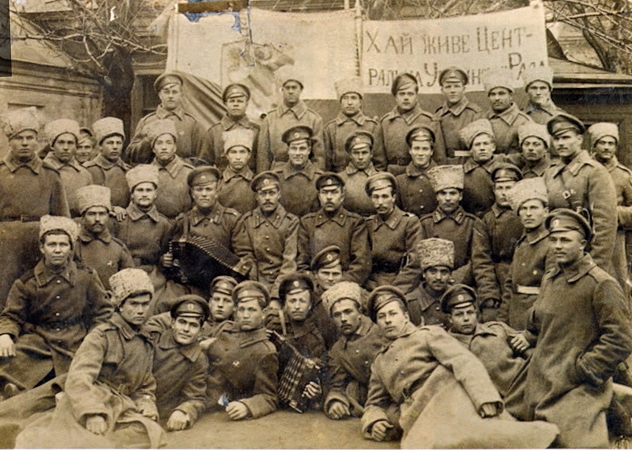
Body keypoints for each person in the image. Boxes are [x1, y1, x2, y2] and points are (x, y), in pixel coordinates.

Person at [361, 285, 559, 448]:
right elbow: (374, 403)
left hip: (447, 395)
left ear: (405, 316)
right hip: (416, 412)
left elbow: (463, 361)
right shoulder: (379, 362)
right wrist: (374, 420)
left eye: (392, 313)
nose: (388, 320)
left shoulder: (427, 335)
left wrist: (484, 397)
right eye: (381, 317)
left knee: (486, 435)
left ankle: (542, 438)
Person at [514, 209, 632, 447]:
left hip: (576, 384)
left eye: (565, 240)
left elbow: (620, 339)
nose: (557, 246)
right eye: (554, 239)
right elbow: (542, 319)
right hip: (541, 377)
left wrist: (584, 369)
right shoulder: (551, 277)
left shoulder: (600, 284)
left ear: (583, 244)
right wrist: (529, 335)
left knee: (573, 440)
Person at [15, 268, 165, 448]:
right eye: (134, 304)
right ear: (120, 305)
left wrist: (146, 404)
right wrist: (92, 412)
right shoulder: (101, 336)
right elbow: (79, 376)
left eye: (145, 304)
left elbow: (145, 385)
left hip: (122, 406)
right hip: (92, 398)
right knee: (79, 440)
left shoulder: (145, 341)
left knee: (150, 433)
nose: (141, 310)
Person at [0, 215, 112, 396]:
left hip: (75, 340)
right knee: (15, 357)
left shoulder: (86, 277)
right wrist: (5, 334)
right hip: (39, 342)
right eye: (52, 245)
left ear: (71, 248)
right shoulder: (27, 282)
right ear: (42, 248)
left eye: (63, 245)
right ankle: (15, 389)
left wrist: (94, 337)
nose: (58, 250)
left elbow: (104, 312)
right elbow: (11, 315)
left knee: (92, 368)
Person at [0, 108, 70, 308]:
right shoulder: (1, 172)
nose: (25, 143)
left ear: (37, 141)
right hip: (6, 243)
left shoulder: (50, 174)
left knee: (39, 290)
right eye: (19, 138)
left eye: (30, 138)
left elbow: (62, 218)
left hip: (40, 242)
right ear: (10, 141)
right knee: (5, 291)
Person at [442, 283, 531, 418]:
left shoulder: (497, 329)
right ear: (450, 318)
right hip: (492, 407)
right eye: (459, 314)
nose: (466, 318)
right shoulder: (447, 345)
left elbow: (531, 355)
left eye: (470, 312)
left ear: (476, 313)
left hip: (526, 392)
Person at [544, 113, 618, 274]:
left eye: (566, 138)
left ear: (579, 139)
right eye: (556, 139)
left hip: (584, 259)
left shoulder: (594, 172)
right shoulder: (550, 173)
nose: (560, 143)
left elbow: (605, 226)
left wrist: (594, 267)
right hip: (557, 256)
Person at [205, 281, 278, 420]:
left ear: (263, 313)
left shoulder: (265, 351)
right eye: (241, 309)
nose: (245, 315)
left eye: (252, 310)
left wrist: (247, 406)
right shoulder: (225, 328)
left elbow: (269, 397)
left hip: (221, 408)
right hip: (199, 394)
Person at [321, 281, 388, 420]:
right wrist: (336, 401)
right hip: (371, 402)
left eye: (348, 311)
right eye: (337, 315)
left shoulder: (382, 331)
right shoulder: (338, 350)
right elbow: (337, 384)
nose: (343, 319)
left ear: (359, 311)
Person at [143, 295, 210, 431]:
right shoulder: (153, 340)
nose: (186, 329)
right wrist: (145, 402)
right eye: (182, 322)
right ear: (172, 323)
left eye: (193, 325)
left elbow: (196, 397)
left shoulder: (198, 359)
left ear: (201, 331)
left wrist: (183, 411)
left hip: (161, 416)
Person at [232, 171, 298, 298]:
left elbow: (289, 262)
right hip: (254, 284)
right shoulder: (247, 221)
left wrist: (275, 294)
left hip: (283, 286)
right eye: (263, 194)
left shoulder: (290, 222)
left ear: (279, 194)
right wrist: (256, 288)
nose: (267, 198)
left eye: (271, 193)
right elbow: (245, 255)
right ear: (256, 197)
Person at [297, 172, 371, 286]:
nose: (329, 197)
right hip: (315, 286)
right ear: (319, 196)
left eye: (334, 192)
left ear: (342, 197)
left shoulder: (355, 223)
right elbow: (302, 263)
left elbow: (361, 264)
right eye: (324, 192)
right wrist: (316, 284)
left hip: (345, 285)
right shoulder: (307, 223)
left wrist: (339, 285)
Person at [471, 163, 524, 322]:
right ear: (493, 190)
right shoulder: (485, 220)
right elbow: (481, 260)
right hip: (495, 281)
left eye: (509, 188)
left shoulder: (526, 217)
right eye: (500, 188)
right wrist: (488, 294)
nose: (504, 193)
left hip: (520, 280)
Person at [126, 72, 211, 165]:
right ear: (160, 95)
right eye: (166, 92)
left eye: (174, 92)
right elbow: (133, 155)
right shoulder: (147, 122)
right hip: (153, 172)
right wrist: (148, 140)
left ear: (181, 95)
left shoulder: (192, 124)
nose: (170, 96)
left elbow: (203, 159)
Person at [500, 177, 552, 330]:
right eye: (523, 209)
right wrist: (501, 322)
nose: (528, 213)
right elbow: (509, 286)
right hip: (515, 316)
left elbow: (551, 293)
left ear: (545, 212)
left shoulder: (550, 245)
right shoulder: (522, 244)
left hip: (538, 320)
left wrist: (532, 331)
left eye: (534, 208)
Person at [420, 164, 485, 285]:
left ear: (460, 196)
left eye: (453, 193)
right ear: (437, 196)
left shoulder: (472, 223)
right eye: (443, 193)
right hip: (432, 282)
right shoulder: (425, 223)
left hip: (462, 282)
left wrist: (455, 278)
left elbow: (477, 259)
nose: (448, 198)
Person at [270, 273, 326, 411]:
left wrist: (316, 388)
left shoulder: (315, 335)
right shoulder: (272, 324)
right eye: (292, 301)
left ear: (310, 305)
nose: (297, 306)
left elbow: (321, 368)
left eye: (302, 301)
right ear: (284, 304)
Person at [588, 122, 632, 291]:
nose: (606, 147)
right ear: (594, 145)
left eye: (611, 143)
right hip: (587, 234)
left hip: (615, 238)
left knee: (615, 282)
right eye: (602, 143)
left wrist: (614, 214)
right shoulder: (586, 170)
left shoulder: (623, 175)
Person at [373, 73, 444, 174]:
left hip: (421, 174)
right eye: (402, 94)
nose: (406, 98)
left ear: (416, 96)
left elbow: (439, 158)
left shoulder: (429, 121)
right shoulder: (385, 122)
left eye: (410, 94)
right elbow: (379, 160)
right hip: (393, 174)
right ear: (395, 97)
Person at [257, 70, 325, 172]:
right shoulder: (270, 119)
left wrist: (316, 178)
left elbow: (319, 157)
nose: (291, 91)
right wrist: (264, 178)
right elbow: (263, 156)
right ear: (282, 90)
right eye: (287, 88)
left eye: (294, 87)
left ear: (301, 90)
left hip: (305, 173)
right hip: (276, 174)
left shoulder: (314, 119)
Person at [365, 172, 421, 292]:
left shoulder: (409, 223)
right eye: (376, 197)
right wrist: (370, 286)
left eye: (385, 196)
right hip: (372, 286)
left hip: (400, 285)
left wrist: (395, 290)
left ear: (393, 197)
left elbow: (415, 263)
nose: (380, 202)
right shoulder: (368, 224)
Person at [73, 185, 134, 289]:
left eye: (102, 214)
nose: (97, 219)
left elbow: (130, 283)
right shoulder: (73, 246)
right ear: (83, 217)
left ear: (108, 216)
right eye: (91, 214)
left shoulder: (118, 248)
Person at [324, 77, 378, 172]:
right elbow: (327, 164)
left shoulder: (372, 126)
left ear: (360, 102)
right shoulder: (331, 128)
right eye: (345, 98)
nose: (349, 103)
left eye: (353, 98)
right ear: (340, 101)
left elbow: (379, 163)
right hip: (339, 177)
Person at [42, 119, 93, 216]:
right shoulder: (42, 171)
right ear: (52, 146)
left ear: (76, 146)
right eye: (61, 142)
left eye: (70, 143)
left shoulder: (85, 174)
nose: (66, 147)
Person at [147, 119, 194, 220]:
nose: (164, 147)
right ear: (153, 149)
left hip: (182, 224)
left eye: (168, 143)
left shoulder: (189, 172)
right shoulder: (145, 173)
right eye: (159, 143)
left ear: (175, 147)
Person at [434, 66, 483, 161]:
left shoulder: (475, 113)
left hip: (470, 163)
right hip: (445, 164)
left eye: (456, 86)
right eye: (448, 87)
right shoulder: (438, 115)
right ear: (442, 90)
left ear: (463, 89)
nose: (452, 90)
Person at [272, 125, 323, 217]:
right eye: (294, 148)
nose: (297, 153)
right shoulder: (276, 176)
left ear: (309, 150)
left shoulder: (319, 177)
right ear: (288, 150)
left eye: (302, 149)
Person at [208, 83, 260, 171]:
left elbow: (262, 160)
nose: (236, 104)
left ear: (247, 104)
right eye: (232, 101)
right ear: (225, 104)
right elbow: (206, 162)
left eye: (240, 101)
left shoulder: (256, 131)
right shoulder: (214, 131)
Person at [460, 118, 506, 217]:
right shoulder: (462, 172)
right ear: (471, 150)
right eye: (477, 145)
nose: (482, 148)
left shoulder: (502, 170)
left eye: (486, 144)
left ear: (493, 147)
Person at [404, 238, 454, 328]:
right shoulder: (411, 303)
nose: (438, 277)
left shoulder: (456, 296)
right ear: (424, 274)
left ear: (450, 275)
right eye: (433, 272)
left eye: (444, 272)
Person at [482, 68, 532, 155]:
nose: (497, 98)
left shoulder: (523, 122)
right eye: (493, 94)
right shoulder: (482, 119)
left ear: (510, 96)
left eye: (501, 93)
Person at [85, 117, 131, 210]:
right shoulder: (88, 170)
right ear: (100, 146)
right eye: (110, 143)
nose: (115, 147)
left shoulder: (128, 171)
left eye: (118, 143)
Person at [395, 126, 439, 217]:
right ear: (410, 151)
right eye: (416, 148)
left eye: (425, 149)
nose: (420, 153)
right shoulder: (400, 181)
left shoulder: (441, 176)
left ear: (431, 151)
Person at [216, 128, 257, 214]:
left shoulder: (256, 182)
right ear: (227, 155)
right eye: (233, 152)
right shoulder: (218, 182)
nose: (238, 157)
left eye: (242, 152)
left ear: (249, 155)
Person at [338, 131, 378, 217]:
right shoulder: (340, 178)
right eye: (356, 153)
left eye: (364, 152)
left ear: (371, 154)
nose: (360, 157)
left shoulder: (381, 177)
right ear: (350, 155)